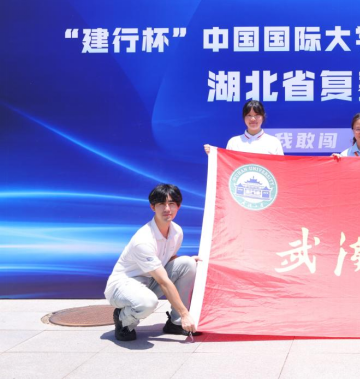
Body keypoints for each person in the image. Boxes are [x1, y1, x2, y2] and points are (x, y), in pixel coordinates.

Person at [104, 184, 199, 341]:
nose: (167, 208)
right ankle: (123, 319)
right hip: (123, 286)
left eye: (171, 203)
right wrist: (185, 313)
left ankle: (176, 323)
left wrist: (188, 260)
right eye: (161, 204)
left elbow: (165, 259)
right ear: (152, 207)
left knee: (188, 264)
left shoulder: (177, 231)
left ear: (178, 206)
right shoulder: (143, 240)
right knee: (148, 302)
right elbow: (163, 281)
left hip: (149, 280)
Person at [204, 100, 284, 155]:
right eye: (249, 115)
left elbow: (280, 168)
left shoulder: (274, 142)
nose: (253, 119)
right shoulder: (234, 142)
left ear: (263, 117)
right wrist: (213, 154)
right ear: (244, 117)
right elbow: (227, 166)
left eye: (257, 115)